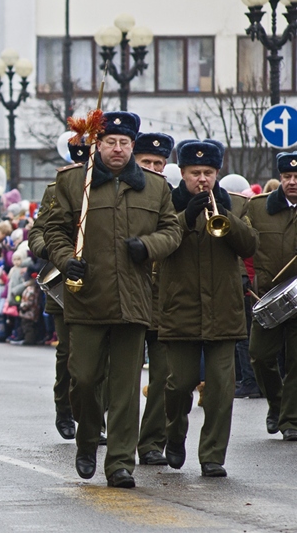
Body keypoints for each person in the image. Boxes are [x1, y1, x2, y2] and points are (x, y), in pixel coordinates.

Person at [43, 112, 181, 488]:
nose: (117, 149)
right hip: (86, 299)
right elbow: (52, 230)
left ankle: (120, 462)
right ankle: (87, 440)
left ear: (132, 146)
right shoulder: (73, 183)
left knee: (124, 387)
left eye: (124, 143)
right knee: (84, 380)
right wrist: (64, 259)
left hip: (134, 301)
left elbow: (172, 229)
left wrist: (148, 247)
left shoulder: (154, 187)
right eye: (109, 142)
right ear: (97, 144)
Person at [159, 139, 257, 477]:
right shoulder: (167, 207)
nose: (202, 179)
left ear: (217, 174)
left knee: (220, 390)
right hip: (181, 309)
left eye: (209, 173)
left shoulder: (235, 206)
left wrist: (224, 214)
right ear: (182, 174)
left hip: (224, 311)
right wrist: (185, 217)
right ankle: (174, 435)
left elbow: (250, 244)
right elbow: (161, 246)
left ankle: (212, 456)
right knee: (177, 384)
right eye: (195, 173)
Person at [29, 138, 89, 441]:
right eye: (77, 162)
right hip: (65, 279)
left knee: (100, 356)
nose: (81, 167)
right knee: (68, 353)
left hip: (102, 279)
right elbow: (38, 232)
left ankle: (93, 417)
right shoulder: (57, 189)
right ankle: (64, 408)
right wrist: (52, 251)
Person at [246, 151, 297, 442]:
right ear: (279, 178)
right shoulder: (257, 208)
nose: (292, 182)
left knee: (296, 363)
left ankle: (291, 420)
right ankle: (277, 405)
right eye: (287, 177)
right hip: (267, 297)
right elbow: (242, 242)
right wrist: (244, 277)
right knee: (260, 357)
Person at [132, 132, 175, 467]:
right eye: (146, 162)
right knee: (125, 378)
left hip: (165, 302)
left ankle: (151, 444)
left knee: (162, 378)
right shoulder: (122, 194)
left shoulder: (172, 198)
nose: (152, 169)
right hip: (129, 298)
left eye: (158, 164)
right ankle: (120, 438)